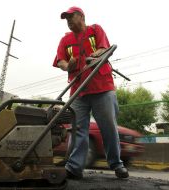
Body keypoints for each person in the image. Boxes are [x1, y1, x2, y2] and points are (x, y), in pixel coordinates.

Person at [53, 6, 129, 179]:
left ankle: (117, 164)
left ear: (81, 16)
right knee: (78, 128)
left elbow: (105, 48)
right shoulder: (65, 40)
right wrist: (68, 66)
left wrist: (96, 55)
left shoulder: (96, 30)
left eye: (71, 17)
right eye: (66, 19)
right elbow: (60, 61)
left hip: (102, 86)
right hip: (78, 90)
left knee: (108, 126)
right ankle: (74, 167)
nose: (69, 21)